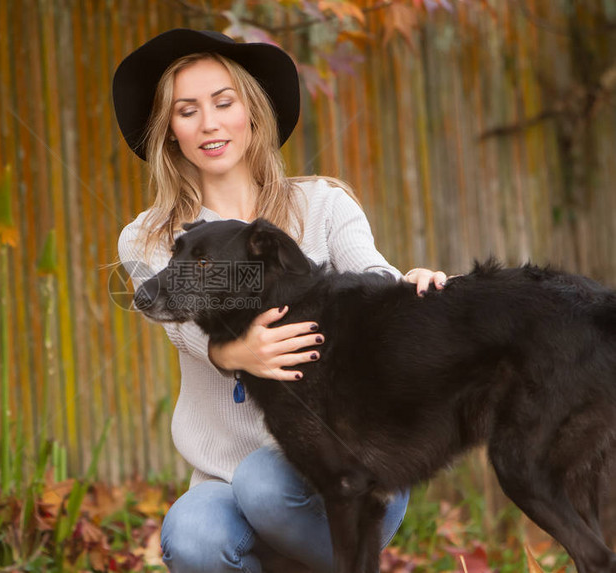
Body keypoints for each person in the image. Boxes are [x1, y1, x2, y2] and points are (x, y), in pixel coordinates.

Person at [113, 28, 447, 572]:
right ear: (169, 130)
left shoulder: (323, 204)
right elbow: (182, 324)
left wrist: (410, 284)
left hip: (344, 464)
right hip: (225, 479)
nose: (210, 124)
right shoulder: (148, 236)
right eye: (187, 111)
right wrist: (232, 353)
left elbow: (371, 273)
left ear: (252, 112)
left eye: (224, 103)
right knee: (194, 535)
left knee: (266, 484)